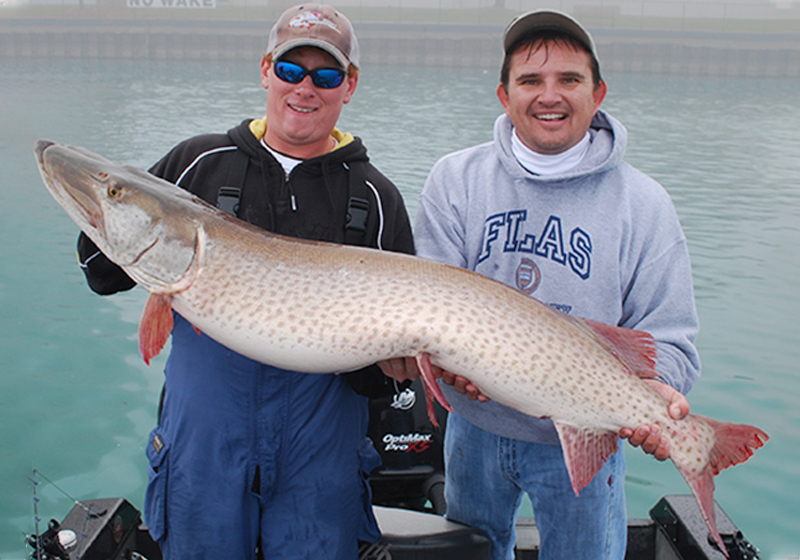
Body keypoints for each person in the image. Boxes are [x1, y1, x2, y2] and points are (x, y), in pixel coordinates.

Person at [76, 4, 415, 559]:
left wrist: (395, 368)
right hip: (204, 449)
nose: (305, 88)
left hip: (319, 456)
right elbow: (102, 276)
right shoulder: (198, 163)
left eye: (325, 75)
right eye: (290, 70)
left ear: (348, 86)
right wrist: (101, 218)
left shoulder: (376, 198)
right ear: (265, 71)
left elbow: (381, 381)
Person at [413, 9, 701, 560]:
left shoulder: (645, 205)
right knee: (468, 553)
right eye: (530, 81)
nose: (550, 96)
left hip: (591, 429)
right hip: (473, 430)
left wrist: (651, 396)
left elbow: (672, 341)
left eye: (569, 79)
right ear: (504, 95)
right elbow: (428, 311)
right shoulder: (453, 180)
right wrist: (453, 368)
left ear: (598, 93)